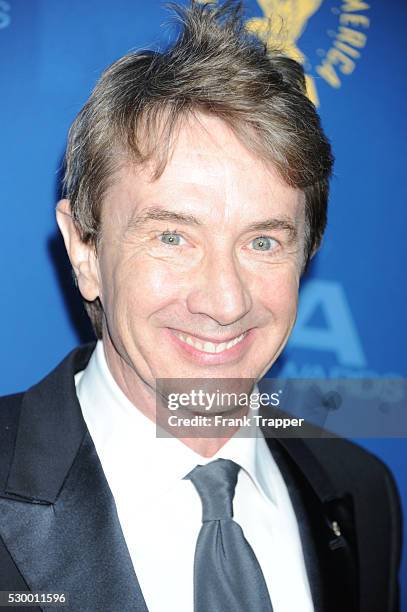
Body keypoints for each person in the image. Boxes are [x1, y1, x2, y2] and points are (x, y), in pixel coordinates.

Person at [0, 2, 401, 611]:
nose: (224, 301)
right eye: (172, 236)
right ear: (85, 248)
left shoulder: (361, 491)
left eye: (262, 241)